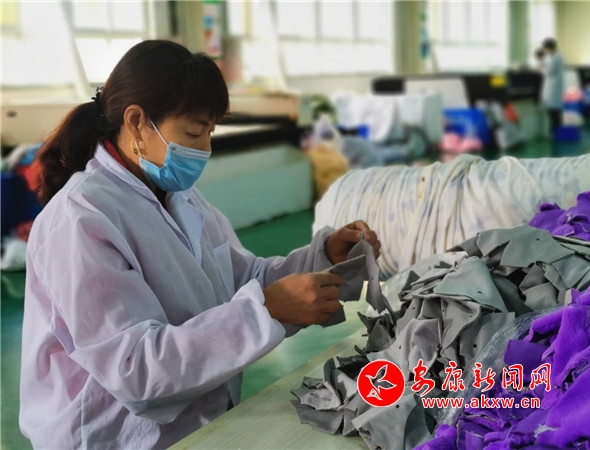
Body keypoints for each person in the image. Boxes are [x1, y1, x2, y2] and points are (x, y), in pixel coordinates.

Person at [19, 40, 381, 449]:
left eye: (210, 131)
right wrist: (266, 310)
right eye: (194, 131)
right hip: (113, 437)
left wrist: (325, 257)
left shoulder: (180, 197)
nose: (204, 148)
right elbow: (135, 370)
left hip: (196, 424)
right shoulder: (81, 218)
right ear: (136, 122)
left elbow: (243, 277)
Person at [539, 37, 564, 135]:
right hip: (552, 87)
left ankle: (556, 132)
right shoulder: (550, 57)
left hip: (553, 87)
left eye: (545, 48)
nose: (545, 50)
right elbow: (544, 64)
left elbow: (549, 71)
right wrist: (541, 62)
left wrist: (540, 69)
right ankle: (555, 131)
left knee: (554, 112)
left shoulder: (556, 58)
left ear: (549, 48)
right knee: (553, 111)